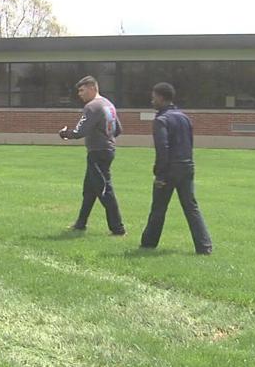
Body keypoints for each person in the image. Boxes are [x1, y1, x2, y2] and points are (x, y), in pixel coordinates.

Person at [140, 82, 213, 255]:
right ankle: (204, 246)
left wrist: (160, 174)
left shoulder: (161, 120)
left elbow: (162, 148)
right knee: (191, 207)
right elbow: (189, 144)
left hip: (170, 168)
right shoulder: (184, 118)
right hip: (187, 166)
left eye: (154, 97)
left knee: (158, 208)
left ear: (161, 97)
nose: (152, 101)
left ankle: (149, 243)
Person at [58, 76, 126, 235]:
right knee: (89, 190)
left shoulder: (92, 107)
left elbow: (79, 131)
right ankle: (80, 224)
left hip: (98, 153)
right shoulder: (109, 104)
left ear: (92, 88)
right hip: (107, 150)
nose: (79, 94)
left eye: (82, 90)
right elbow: (119, 129)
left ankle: (118, 229)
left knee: (104, 190)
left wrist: (64, 134)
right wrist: (107, 137)